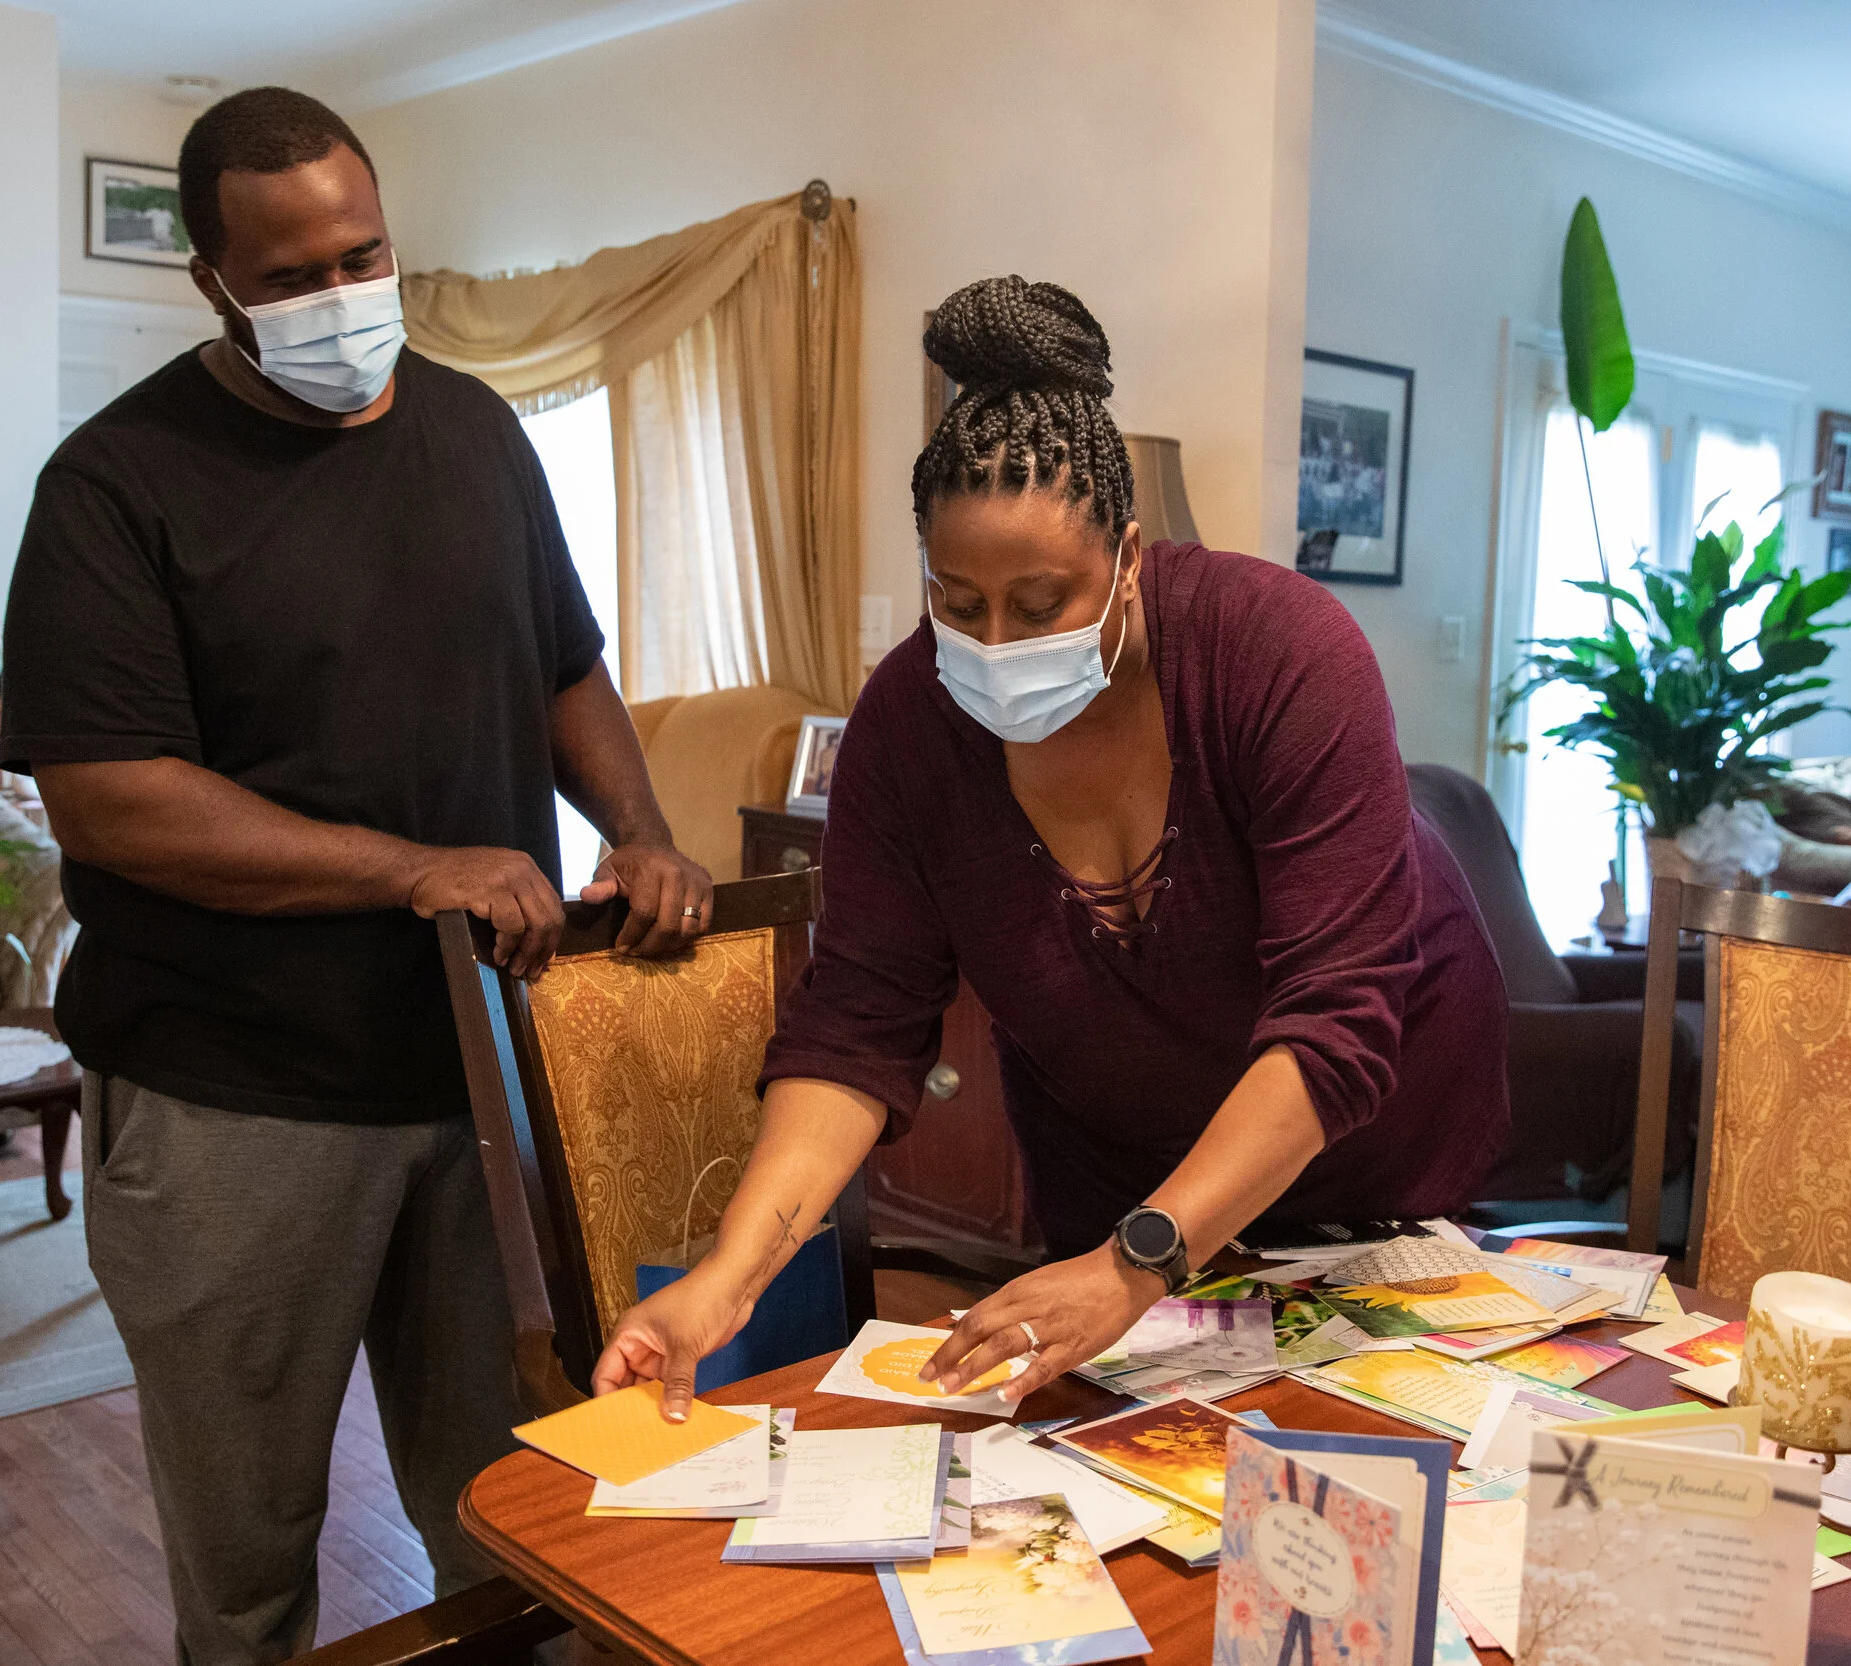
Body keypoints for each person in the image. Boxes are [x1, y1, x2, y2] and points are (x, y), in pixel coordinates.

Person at [0, 87, 709, 1665]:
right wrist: (415, 870)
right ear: (215, 285)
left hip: (482, 1079)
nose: (342, 300)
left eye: (363, 256)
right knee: (251, 1559)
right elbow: (110, 802)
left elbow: (566, 670)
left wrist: (639, 831)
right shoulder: (115, 487)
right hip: (233, 1103)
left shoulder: (473, 428)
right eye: (295, 277)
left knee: (514, 1515)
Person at [593, 276, 1509, 1416]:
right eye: (955, 600)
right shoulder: (909, 729)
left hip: (1368, 1167)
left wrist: (1137, 1263)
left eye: (1039, 603)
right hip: (1114, 1205)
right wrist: (725, 1282)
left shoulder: (1277, 652)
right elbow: (856, 1027)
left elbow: (1337, 1021)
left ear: (1126, 558)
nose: (993, 644)